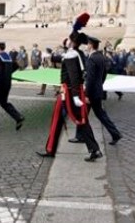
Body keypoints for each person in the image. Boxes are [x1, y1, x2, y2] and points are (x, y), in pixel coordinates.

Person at [37, 13, 102, 161]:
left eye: (68, 39)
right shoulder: (75, 53)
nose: (66, 41)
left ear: (72, 42)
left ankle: (52, 149)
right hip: (72, 90)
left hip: (69, 92)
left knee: (75, 120)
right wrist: (51, 57)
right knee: (71, 119)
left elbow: (73, 75)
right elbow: (64, 59)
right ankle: (52, 148)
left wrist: (74, 96)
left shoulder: (72, 54)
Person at [71, 35, 122, 145]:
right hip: (98, 90)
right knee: (101, 114)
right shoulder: (102, 57)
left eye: (88, 44)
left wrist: (87, 95)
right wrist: (100, 85)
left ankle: (80, 136)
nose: (87, 46)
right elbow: (104, 74)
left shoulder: (92, 58)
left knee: (82, 113)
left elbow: (90, 79)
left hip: (91, 93)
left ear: (90, 45)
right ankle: (115, 134)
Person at [0, 42, 25, 132]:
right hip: (7, 84)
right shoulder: (8, 56)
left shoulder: (0, 57)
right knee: (4, 103)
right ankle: (18, 117)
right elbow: (16, 66)